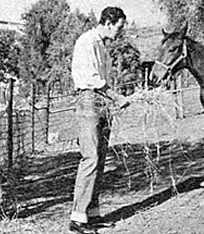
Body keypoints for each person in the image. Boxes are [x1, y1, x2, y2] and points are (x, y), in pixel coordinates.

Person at [69, 6, 129, 234]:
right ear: (108, 22)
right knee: (91, 158)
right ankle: (77, 220)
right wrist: (115, 96)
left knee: (100, 158)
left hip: (101, 102)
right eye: (119, 27)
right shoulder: (87, 42)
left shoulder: (102, 45)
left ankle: (91, 215)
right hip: (89, 101)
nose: (120, 32)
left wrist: (111, 98)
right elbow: (90, 78)